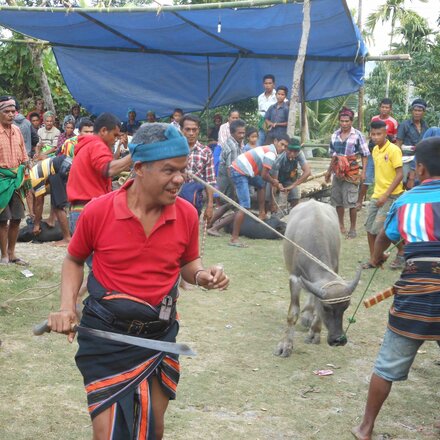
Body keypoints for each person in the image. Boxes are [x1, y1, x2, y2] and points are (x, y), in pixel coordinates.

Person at [47, 122, 229, 440]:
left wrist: (202, 276)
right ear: (139, 168)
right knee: (108, 433)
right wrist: (67, 308)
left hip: (158, 337)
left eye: (183, 170)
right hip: (105, 338)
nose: (179, 180)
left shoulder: (185, 214)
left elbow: (189, 264)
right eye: (169, 170)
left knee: (152, 430)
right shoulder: (98, 212)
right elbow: (74, 259)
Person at [352, 136, 440, 440]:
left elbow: (382, 237)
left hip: (415, 292)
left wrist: (376, 258)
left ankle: (365, 427)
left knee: (387, 364)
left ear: (421, 169)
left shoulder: (405, 202)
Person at [67, 113, 132, 234]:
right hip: (88, 212)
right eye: (115, 135)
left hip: (79, 211)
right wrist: (135, 156)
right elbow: (108, 169)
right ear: (103, 131)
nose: (116, 139)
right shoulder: (97, 145)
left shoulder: (88, 145)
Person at [229, 137, 288, 247]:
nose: (283, 148)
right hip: (239, 171)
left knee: (260, 184)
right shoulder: (271, 153)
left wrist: (273, 181)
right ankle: (234, 239)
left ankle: (262, 213)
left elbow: (263, 176)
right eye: (282, 144)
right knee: (244, 206)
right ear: (275, 141)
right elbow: (264, 175)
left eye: (285, 146)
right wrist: (274, 182)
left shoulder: (268, 150)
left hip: (244, 170)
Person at [361, 120, 404, 270]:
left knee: (381, 229)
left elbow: (400, 174)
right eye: (373, 134)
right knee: (369, 227)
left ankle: (401, 252)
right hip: (377, 194)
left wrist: (386, 194)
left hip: (391, 195)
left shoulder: (394, 150)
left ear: (385, 133)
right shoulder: (374, 150)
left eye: (379, 134)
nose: (375, 137)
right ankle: (375, 258)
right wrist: (378, 193)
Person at [325, 107, 369, 239]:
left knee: (351, 201)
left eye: (347, 121)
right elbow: (333, 155)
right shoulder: (334, 135)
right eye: (342, 121)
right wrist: (328, 171)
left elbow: (365, 154)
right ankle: (341, 225)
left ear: (351, 121)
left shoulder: (358, 135)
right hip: (337, 172)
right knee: (337, 200)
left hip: (351, 172)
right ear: (339, 121)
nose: (344, 124)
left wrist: (363, 172)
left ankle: (353, 228)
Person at [0, 96, 29, 265]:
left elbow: (23, 153)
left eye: (13, 111)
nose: (11, 115)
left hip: (17, 179)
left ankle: (12, 253)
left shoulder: (17, 130)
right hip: (1, 180)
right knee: (3, 220)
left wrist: (25, 169)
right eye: (7, 112)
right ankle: (3, 255)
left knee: (17, 217)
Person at [206, 119, 246, 237]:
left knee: (228, 205)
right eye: (240, 133)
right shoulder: (232, 146)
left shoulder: (234, 143)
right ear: (232, 133)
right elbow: (230, 169)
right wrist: (235, 187)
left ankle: (210, 224)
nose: (242, 136)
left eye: (244, 133)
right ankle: (215, 228)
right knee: (241, 208)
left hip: (226, 179)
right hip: (229, 180)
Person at [358, 99, 399, 209]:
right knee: (367, 176)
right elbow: (371, 134)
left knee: (387, 175)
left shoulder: (393, 122)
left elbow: (395, 138)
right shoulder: (374, 119)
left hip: (387, 151)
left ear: (390, 109)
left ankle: (388, 197)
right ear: (379, 107)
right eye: (383, 107)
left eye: (387, 107)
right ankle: (359, 201)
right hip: (374, 151)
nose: (384, 109)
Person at [179, 114, 216, 221]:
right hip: (174, 196)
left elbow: (210, 181)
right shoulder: (173, 149)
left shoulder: (206, 152)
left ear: (198, 130)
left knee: (191, 229)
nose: (191, 133)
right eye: (188, 129)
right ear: (181, 130)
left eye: (194, 130)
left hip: (194, 199)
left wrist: (209, 206)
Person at [30, 154, 73, 245]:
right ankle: (51, 220)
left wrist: (37, 224)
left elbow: (39, 202)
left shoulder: (33, 178)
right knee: (56, 197)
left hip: (61, 168)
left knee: (58, 206)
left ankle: (67, 238)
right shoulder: (34, 171)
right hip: (65, 163)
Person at [267, 136, 311, 211]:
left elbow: (307, 172)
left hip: (289, 178)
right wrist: (273, 202)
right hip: (273, 178)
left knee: (295, 198)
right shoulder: (279, 158)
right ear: (286, 148)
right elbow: (274, 181)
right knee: (268, 200)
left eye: (295, 152)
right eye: (290, 151)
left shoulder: (300, 154)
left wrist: (293, 186)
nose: (292, 154)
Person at [395, 98, 429, 186]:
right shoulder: (404, 125)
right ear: (412, 111)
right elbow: (398, 143)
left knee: (419, 183)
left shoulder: (425, 126)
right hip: (406, 159)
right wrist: (398, 160)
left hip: (420, 160)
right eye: (415, 110)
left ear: (424, 112)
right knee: (404, 182)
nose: (417, 113)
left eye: (420, 110)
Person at [257, 74, 277, 146]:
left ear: (273, 84)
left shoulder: (278, 95)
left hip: (274, 124)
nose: (267, 85)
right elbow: (260, 111)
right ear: (263, 84)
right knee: (259, 144)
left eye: (270, 83)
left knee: (271, 146)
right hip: (262, 122)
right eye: (266, 83)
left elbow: (284, 107)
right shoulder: (260, 97)